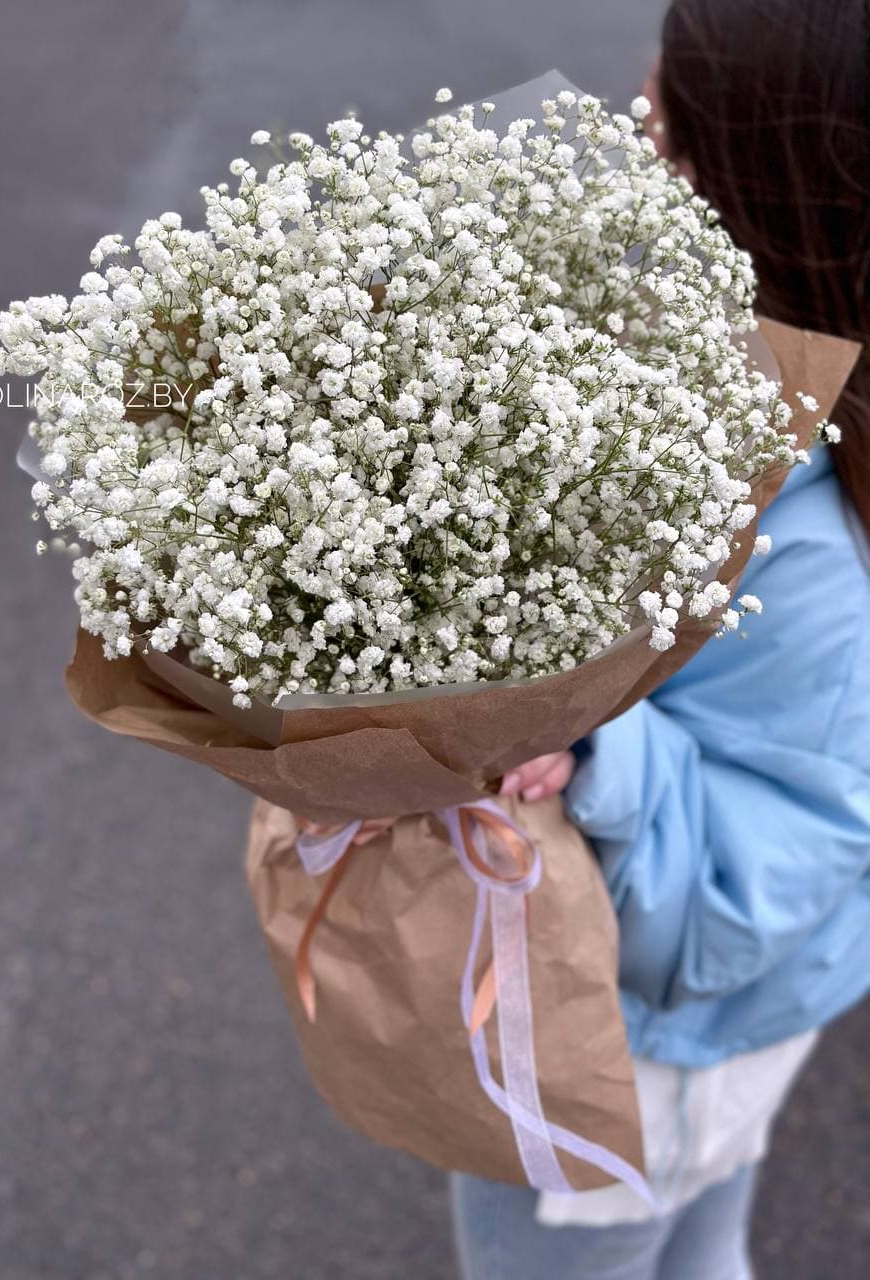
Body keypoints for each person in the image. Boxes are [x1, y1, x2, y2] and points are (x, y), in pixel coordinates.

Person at [450, 1, 870, 1276]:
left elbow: (759, 890)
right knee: (702, 1244)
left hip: (649, 1051)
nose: (640, 94)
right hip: (711, 1034)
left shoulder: (805, 553)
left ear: (759, 167)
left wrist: (593, 751)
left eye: (677, 83)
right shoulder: (769, 356)